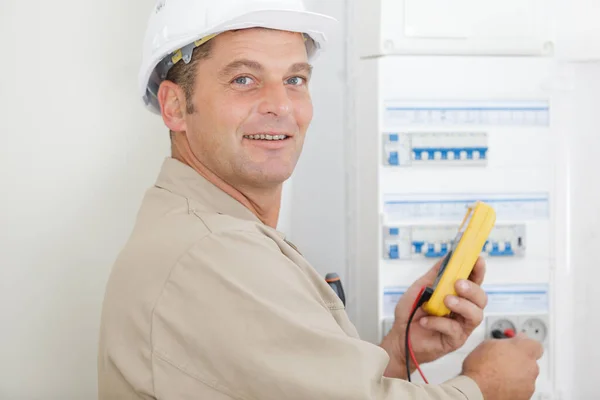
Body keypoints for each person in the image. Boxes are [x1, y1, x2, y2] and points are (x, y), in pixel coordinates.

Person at [97, 0, 543, 399]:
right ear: (175, 105)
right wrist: (486, 388)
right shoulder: (214, 253)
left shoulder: (205, 231)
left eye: (294, 79)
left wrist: (400, 350)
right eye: (244, 79)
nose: (281, 105)